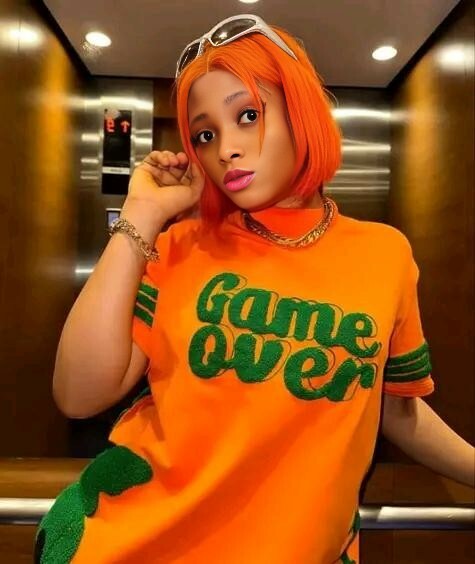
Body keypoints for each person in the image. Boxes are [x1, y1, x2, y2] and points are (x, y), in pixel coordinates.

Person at [35, 14, 474, 564]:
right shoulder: (181, 247)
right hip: (132, 545)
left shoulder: (385, 254)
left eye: (248, 115)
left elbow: (395, 409)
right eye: (205, 134)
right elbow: (78, 394)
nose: (226, 149)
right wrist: (142, 215)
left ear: (302, 110)